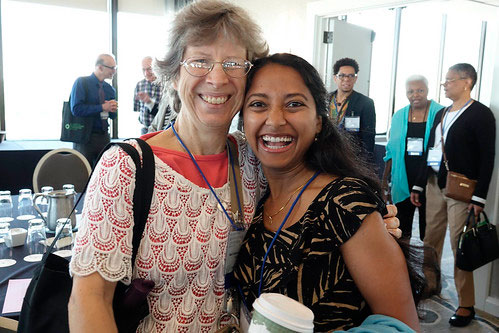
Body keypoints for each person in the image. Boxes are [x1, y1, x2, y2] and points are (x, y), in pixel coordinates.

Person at [68, 2, 400, 332]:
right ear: (172, 74)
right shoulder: (128, 167)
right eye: (199, 60)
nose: (217, 77)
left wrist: (371, 223)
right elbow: (89, 299)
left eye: (232, 63)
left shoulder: (253, 156)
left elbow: (315, 196)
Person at [234, 54, 437, 332]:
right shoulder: (252, 196)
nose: (275, 119)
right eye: (258, 104)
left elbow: (401, 325)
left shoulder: (345, 202)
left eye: (294, 104)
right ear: (242, 118)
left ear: (319, 121)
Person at [411, 63, 496, 327]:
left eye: (449, 80)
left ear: (467, 81)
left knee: (459, 246)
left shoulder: (480, 114)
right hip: (436, 185)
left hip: (462, 189)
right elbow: (432, 151)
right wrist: (419, 184)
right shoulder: (442, 113)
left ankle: (466, 304)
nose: (445, 85)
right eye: (445, 80)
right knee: (429, 240)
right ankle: (429, 285)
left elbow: (487, 157)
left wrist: (479, 198)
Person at [382, 75, 443, 240]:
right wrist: (384, 182)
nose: (415, 95)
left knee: (429, 231)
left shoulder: (440, 112)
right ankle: (404, 263)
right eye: (411, 91)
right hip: (403, 180)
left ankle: (428, 265)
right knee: (402, 228)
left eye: (420, 90)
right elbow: (391, 152)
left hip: (430, 180)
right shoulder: (399, 116)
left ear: (428, 90)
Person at [70, 53, 118, 166]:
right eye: (112, 68)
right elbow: (76, 109)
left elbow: (113, 116)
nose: (114, 71)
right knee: (83, 172)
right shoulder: (82, 83)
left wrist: (113, 109)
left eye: (115, 68)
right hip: (85, 137)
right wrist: (102, 107)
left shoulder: (109, 89)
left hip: (104, 137)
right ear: (100, 67)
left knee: (104, 172)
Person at [328, 57, 376, 159]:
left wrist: (364, 166)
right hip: (326, 156)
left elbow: (368, 139)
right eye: (342, 76)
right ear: (335, 78)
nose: (346, 79)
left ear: (355, 78)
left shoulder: (366, 103)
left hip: (351, 159)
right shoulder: (324, 100)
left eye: (351, 75)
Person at [134, 56, 163, 135]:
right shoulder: (140, 85)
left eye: (149, 69)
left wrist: (149, 102)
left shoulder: (166, 85)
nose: (146, 73)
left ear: (156, 68)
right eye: (143, 70)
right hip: (145, 129)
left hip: (161, 130)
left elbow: (168, 112)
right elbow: (137, 109)